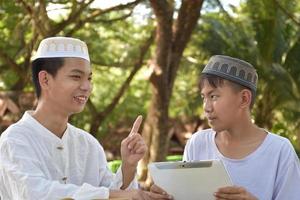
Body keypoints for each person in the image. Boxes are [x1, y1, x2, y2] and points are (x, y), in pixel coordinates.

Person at [0, 37, 171, 200]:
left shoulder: (88, 144)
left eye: (89, 78)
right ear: (45, 79)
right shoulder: (14, 141)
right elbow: (35, 193)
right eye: (76, 77)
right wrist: (112, 195)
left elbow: (112, 193)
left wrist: (128, 166)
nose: (86, 87)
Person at [179, 55, 300, 199]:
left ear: (244, 99)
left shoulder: (279, 151)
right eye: (203, 97)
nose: (206, 107)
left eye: (214, 96)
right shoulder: (197, 144)